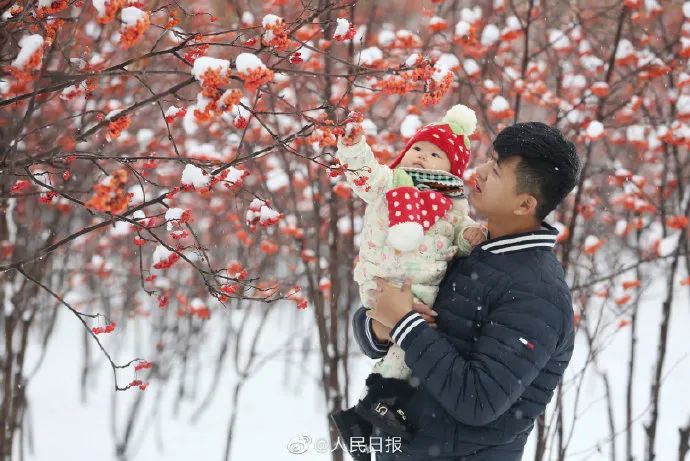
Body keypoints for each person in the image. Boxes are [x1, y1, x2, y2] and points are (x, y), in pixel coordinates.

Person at [352, 122, 580, 460]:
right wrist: (378, 328)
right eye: (489, 159)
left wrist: (404, 324)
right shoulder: (471, 247)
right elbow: (393, 316)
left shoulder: (538, 294)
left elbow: (478, 401)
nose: (481, 171)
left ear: (524, 204)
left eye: (496, 170)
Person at [330, 105, 487, 458]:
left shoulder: (453, 203)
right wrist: (354, 148)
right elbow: (363, 174)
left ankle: (367, 415)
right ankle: (375, 411)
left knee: (405, 354)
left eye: (435, 155)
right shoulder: (389, 181)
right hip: (383, 283)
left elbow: (459, 234)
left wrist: (471, 236)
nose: (422, 157)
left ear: (452, 169)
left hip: (423, 289)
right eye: (418, 148)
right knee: (401, 351)